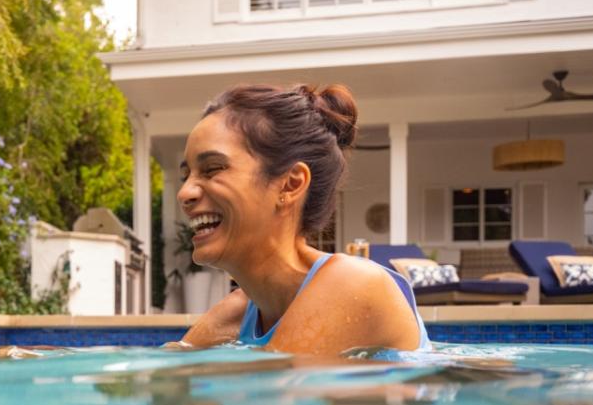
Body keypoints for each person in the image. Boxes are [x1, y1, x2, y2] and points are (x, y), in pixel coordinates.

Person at [177, 84, 428, 355]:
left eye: (212, 168)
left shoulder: (354, 285)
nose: (184, 193)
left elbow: (271, 391)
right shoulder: (239, 312)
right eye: (186, 176)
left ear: (290, 184)